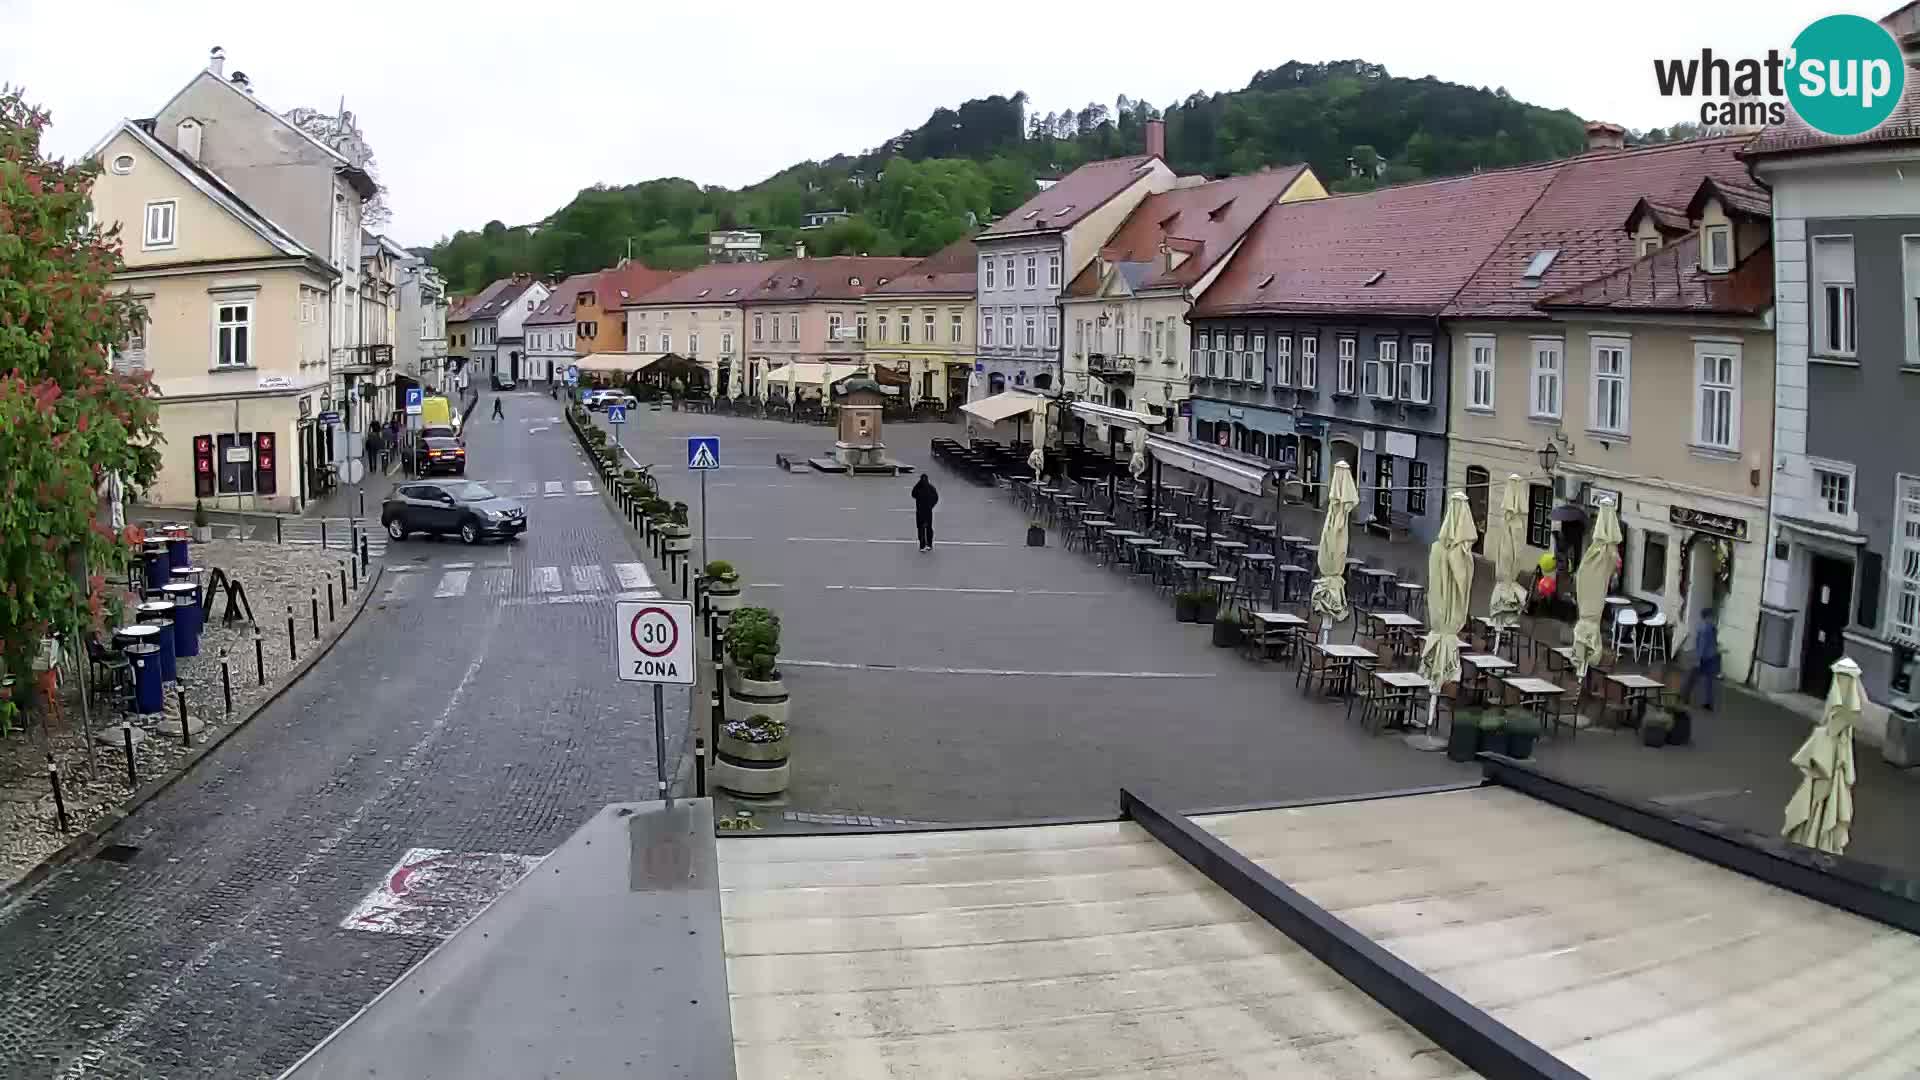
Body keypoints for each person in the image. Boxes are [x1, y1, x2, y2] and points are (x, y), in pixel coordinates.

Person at [1682, 608, 1721, 711]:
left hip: (1704, 658)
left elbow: (1702, 645)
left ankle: (1684, 698)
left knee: (1692, 679)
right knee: (1709, 681)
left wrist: (1698, 659)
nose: (1713, 618)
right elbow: (1714, 643)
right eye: (1711, 616)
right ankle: (1709, 703)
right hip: (1711, 657)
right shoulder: (1712, 628)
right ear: (1708, 617)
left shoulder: (1704, 628)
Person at [911, 475, 939, 551]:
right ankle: (928, 544)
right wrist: (931, 505)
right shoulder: (931, 487)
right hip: (927, 511)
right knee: (928, 528)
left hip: (920, 511)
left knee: (921, 528)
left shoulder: (918, 487)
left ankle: (922, 545)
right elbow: (936, 497)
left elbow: (913, 494)